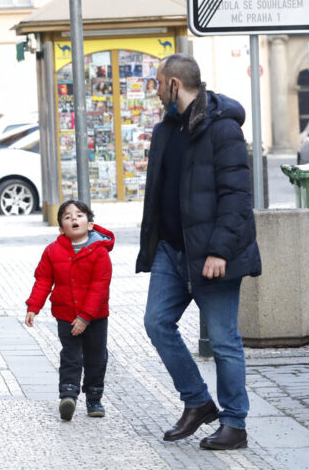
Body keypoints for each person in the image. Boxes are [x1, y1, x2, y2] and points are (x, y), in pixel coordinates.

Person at [136, 53, 261, 450]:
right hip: (172, 253)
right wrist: (152, 244)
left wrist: (220, 250)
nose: (154, 91)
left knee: (224, 341)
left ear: (175, 84)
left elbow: (237, 197)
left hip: (212, 256)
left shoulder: (223, 129)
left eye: (158, 83)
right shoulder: (164, 131)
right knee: (156, 323)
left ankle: (235, 424)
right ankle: (197, 401)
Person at [25, 200, 114, 420]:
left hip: (95, 317)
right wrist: (33, 306)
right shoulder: (52, 251)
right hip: (65, 314)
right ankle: (68, 395)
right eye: (67, 217)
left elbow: (99, 286)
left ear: (90, 224)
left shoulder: (99, 252)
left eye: (79, 215)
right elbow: (43, 279)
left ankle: (94, 398)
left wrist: (85, 317)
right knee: (71, 356)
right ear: (60, 228)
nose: (74, 219)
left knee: (96, 357)